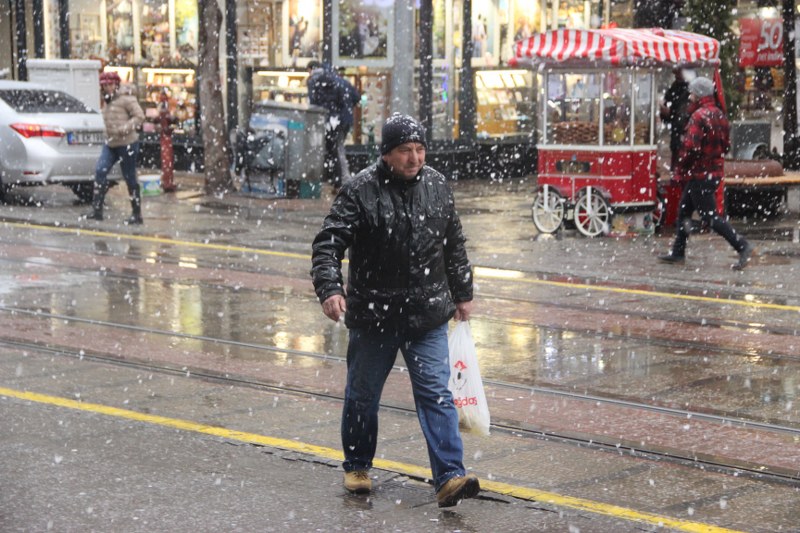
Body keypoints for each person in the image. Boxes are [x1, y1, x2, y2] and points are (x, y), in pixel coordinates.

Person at [310, 114, 480, 508]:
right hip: (374, 315)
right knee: (362, 396)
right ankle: (357, 465)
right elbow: (328, 242)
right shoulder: (359, 191)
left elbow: (452, 241)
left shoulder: (437, 185)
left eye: (420, 150)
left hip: (426, 313)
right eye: (405, 151)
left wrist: (462, 292)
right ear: (386, 154)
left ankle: (450, 476)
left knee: (437, 395)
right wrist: (330, 288)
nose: (415, 158)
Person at [658, 77, 753, 270]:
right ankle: (678, 251)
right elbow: (726, 146)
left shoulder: (698, 116)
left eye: (692, 93)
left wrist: (680, 168)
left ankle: (742, 245)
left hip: (699, 174)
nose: (690, 97)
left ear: (699, 95)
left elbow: (690, 148)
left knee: (711, 217)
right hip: (713, 173)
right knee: (684, 210)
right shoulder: (719, 115)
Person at [85, 71, 145, 224]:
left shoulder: (126, 98)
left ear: (116, 85)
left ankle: (136, 214)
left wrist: (124, 128)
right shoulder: (106, 100)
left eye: (110, 84)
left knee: (130, 177)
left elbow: (139, 116)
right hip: (111, 143)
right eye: (104, 85)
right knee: (100, 170)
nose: (107, 88)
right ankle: (97, 210)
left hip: (127, 144)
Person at [306, 61, 360, 189]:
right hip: (344, 119)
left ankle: (341, 180)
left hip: (332, 119)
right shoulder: (342, 81)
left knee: (334, 149)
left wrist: (332, 112)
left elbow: (314, 102)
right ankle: (340, 179)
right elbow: (357, 97)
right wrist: (346, 109)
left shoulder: (315, 80)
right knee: (338, 147)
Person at [660, 66, 691, 171]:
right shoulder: (675, 87)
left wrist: (670, 113)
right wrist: (665, 113)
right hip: (677, 138)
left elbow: (685, 114)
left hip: (683, 139)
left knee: (681, 171)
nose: (676, 75)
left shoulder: (690, 89)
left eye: (678, 73)